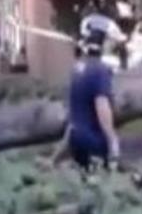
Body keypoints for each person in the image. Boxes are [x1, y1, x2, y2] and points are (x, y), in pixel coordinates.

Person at [53, 12, 126, 171]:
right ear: (101, 40)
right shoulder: (100, 70)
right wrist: (112, 140)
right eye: (110, 42)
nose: (112, 46)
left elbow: (74, 113)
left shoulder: (78, 68)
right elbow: (102, 107)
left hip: (76, 139)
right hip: (93, 142)